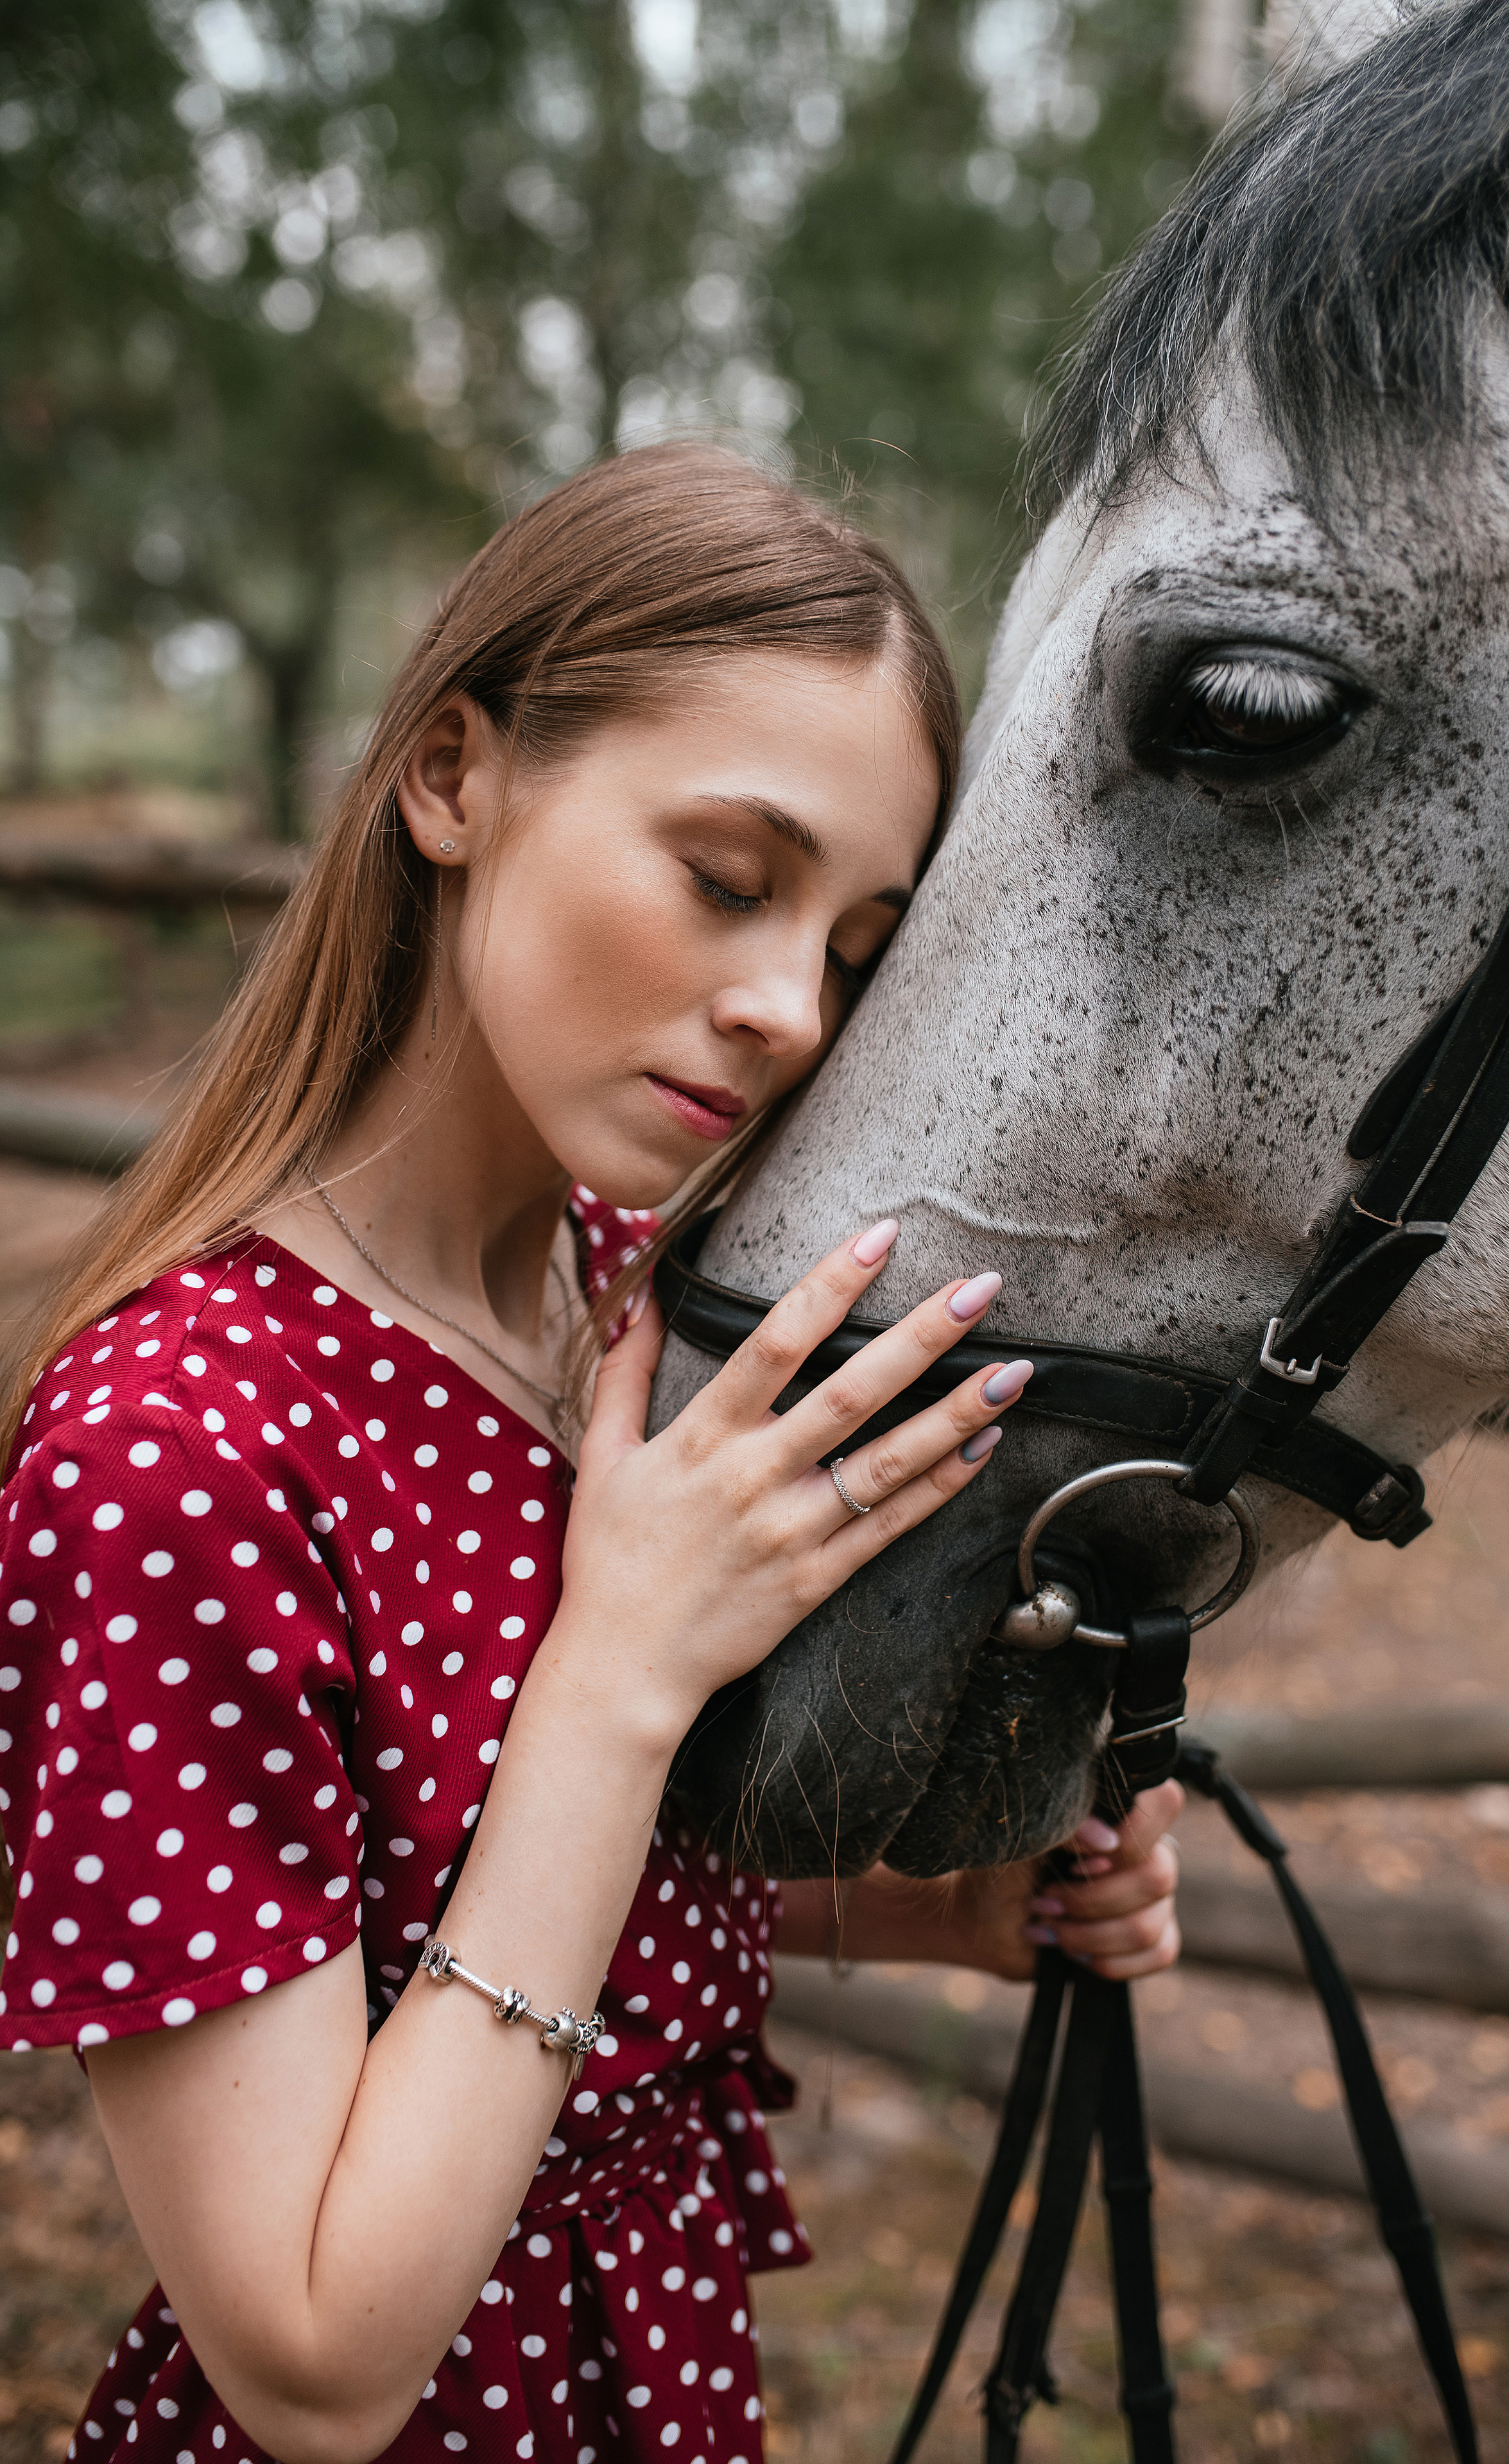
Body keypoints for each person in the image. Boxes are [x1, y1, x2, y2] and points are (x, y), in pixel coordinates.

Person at [0, 443, 1182, 2464]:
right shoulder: (176, 1456)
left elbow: (519, 1916)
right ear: (453, 776)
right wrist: (619, 1673)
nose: (787, 1009)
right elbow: (309, 2359)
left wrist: (943, 1916)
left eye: (855, 945)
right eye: (732, 879)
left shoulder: (621, 1293)